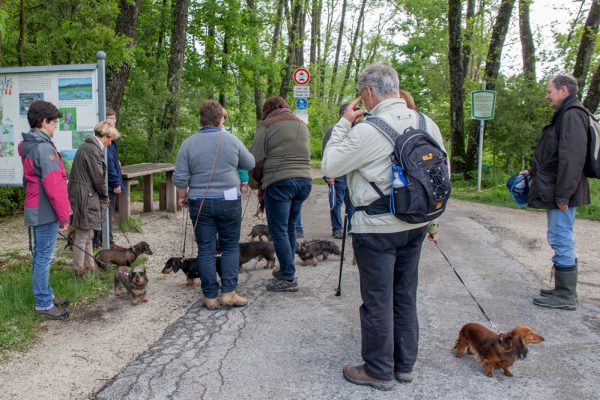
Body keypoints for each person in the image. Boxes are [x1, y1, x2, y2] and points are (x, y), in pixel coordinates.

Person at [322, 63, 446, 390]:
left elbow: (330, 165)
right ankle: (404, 365)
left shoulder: (369, 129)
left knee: (377, 299)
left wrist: (343, 123)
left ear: (367, 93)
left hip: (376, 227)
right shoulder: (427, 123)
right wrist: (432, 222)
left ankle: (378, 369)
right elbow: (436, 180)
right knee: (405, 294)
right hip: (415, 224)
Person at [174, 100, 255, 310]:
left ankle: (210, 296)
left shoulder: (188, 143)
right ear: (221, 118)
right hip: (228, 200)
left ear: (200, 119)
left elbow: (180, 177)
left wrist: (183, 196)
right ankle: (229, 293)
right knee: (229, 247)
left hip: (199, 201)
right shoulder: (231, 140)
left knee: (206, 249)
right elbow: (250, 163)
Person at [521, 74, 590, 311]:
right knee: (558, 235)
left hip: (563, 192)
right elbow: (552, 155)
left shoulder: (572, 116)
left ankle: (565, 294)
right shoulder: (566, 115)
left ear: (563, 91)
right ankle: (562, 289)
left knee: (561, 237)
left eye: (550, 91)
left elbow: (572, 159)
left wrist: (563, 195)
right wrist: (532, 171)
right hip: (560, 188)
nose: (548, 96)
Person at [249, 96, 312, 292]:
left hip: (280, 182)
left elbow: (255, 160)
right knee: (290, 227)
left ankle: (287, 276)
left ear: (266, 111)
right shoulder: (302, 124)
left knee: (278, 230)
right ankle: (287, 269)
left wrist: (255, 183)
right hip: (304, 181)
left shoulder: (267, 125)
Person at [19, 101, 72, 319]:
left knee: (41, 256)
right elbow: (54, 185)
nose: (55, 126)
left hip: (37, 207)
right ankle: (43, 303)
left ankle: (46, 295)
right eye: (54, 122)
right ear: (44, 122)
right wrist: (64, 215)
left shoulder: (31, 145)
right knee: (43, 257)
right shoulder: (44, 148)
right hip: (45, 210)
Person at [68, 121, 117, 278]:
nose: (111, 142)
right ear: (105, 136)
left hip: (85, 195)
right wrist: (104, 195)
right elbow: (97, 177)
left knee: (88, 234)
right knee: (82, 236)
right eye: (111, 138)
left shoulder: (89, 147)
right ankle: (79, 272)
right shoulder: (92, 150)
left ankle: (90, 267)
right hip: (85, 197)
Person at [322, 103, 355, 239]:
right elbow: (326, 152)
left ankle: (352, 227)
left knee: (352, 204)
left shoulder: (356, 129)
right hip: (338, 175)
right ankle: (337, 228)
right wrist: (328, 174)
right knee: (336, 203)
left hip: (352, 173)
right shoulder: (333, 130)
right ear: (343, 114)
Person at [93, 107, 124, 248]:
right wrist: (116, 183)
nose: (114, 121)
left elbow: (113, 162)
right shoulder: (106, 140)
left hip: (107, 183)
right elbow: (109, 165)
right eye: (111, 118)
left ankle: (102, 240)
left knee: (105, 213)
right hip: (109, 184)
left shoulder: (109, 139)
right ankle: (106, 242)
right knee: (107, 214)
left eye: (115, 118)